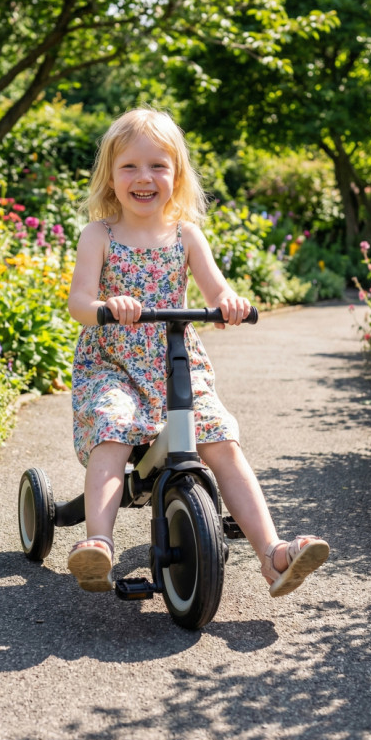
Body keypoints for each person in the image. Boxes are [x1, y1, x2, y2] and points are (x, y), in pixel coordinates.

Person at [66, 107, 329, 596]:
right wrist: (107, 305)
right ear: (110, 176)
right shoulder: (98, 235)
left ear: (177, 175)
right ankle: (98, 545)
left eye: (157, 166)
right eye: (129, 166)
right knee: (111, 429)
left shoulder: (186, 234)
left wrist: (229, 303)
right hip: (113, 365)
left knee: (221, 440)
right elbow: (79, 303)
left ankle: (273, 554)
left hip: (175, 365)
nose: (144, 177)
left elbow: (216, 290)